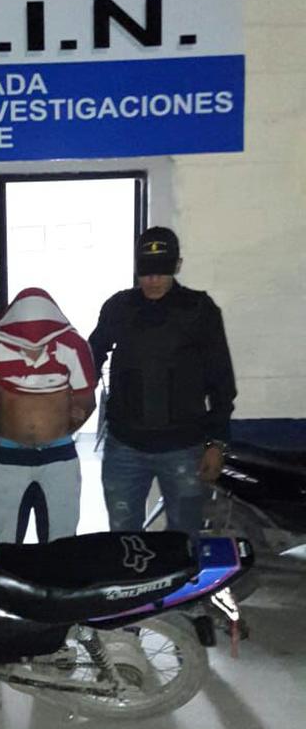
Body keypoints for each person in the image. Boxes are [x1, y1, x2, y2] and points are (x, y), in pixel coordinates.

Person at [88, 226, 237, 539]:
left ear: (178, 265)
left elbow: (221, 381)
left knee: (184, 542)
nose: (153, 280)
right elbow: (90, 358)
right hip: (124, 447)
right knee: (122, 542)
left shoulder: (199, 309)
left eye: (162, 271)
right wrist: (76, 403)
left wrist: (216, 443)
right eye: (146, 272)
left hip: (184, 448)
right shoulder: (119, 307)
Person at [0, 287, 97, 543]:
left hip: (59, 456)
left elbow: (87, 401)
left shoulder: (73, 346)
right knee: (4, 539)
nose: (33, 344)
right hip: (10, 455)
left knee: (61, 541)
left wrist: (59, 429)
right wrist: (9, 428)